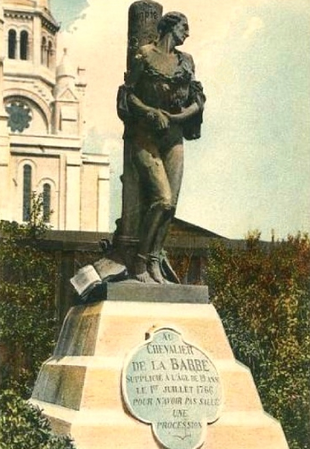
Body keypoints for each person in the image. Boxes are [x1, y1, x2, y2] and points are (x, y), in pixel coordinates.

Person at [118, 11, 206, 284]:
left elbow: (198, 100)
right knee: (162, 199)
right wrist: (150, 113)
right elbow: (127, 94)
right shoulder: (144, 55)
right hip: (145, 136)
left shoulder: (186, 61)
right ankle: (140, 261)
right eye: (184, 27)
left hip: (173, 136)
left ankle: (155, 261)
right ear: (170, 27)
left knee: (172, 206)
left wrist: (177, 118)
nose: (188, 34)